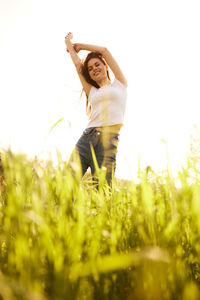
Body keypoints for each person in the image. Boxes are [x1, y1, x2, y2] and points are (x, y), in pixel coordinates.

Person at [65, 32, 127, 187]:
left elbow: (104, 51)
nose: (94, 69)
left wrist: (80, 46)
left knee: (103, 193)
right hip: (87, 139)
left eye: (97, 65)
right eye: (90, 69)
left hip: (108, 142)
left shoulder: (120, 83)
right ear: (90, 76)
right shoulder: (92, 92)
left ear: (106, 66)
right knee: (66, 186)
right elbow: (78, 67)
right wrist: (68, 45)